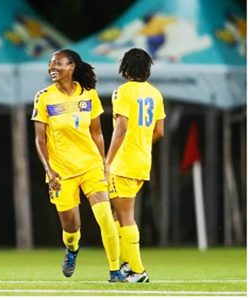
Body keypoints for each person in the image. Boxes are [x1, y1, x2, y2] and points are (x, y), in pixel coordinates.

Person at [31, 49, 123, 282]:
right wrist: (48, 170)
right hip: (61, 173)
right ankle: (72, 249)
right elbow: (40, 139)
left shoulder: (89, 95)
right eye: (50, 65)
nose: (52, 68)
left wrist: (103, 162)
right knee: (71, 228)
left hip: (91, 166)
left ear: (72, 66)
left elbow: (98, 133)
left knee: (105, 218)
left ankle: (115, 272)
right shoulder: (43, 97)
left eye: (58, 64)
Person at [105, 48, 165, 283]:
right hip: (142, 161)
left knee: (124, 216)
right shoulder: (155, 94)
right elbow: (159, 132)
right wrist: (141, 143)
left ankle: (139, 272)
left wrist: (107, 161)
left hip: (123, 162)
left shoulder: (122, 92)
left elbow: (120, 129)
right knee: (119, 217)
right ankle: (128, 268)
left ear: (125, 68)